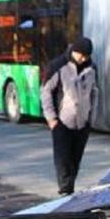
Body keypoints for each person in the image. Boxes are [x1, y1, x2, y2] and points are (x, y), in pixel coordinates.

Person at [40, 37, 99, 196]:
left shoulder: (92, 68)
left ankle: (69, 188)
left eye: (87, 56)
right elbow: (46, 92)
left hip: (82, 123)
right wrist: (52, 119)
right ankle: (65, 190)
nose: (84, 58)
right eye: (82, 55)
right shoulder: (58, 66)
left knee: (75, 159)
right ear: (74, 51)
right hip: (62, 123)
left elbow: (95, 93)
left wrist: (91, 119)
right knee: (63, 159)